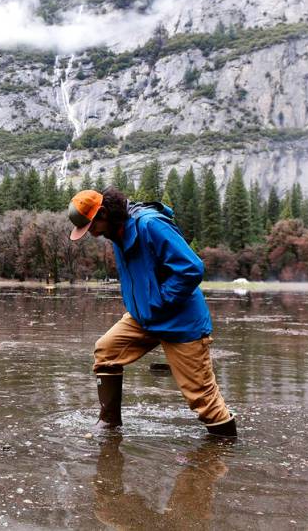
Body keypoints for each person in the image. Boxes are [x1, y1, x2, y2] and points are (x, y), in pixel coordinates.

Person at [68, 186, 237, 437]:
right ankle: (109, 424)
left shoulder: (151, 225)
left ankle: (228, 451)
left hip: (181, 323)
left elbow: (191, 268)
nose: (92, 234)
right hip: (143, 318)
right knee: (106, 350)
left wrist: (160, 303)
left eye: (92, 226)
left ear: (104, 213)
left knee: (204, 401)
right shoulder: (116, 232)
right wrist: (144, 306)